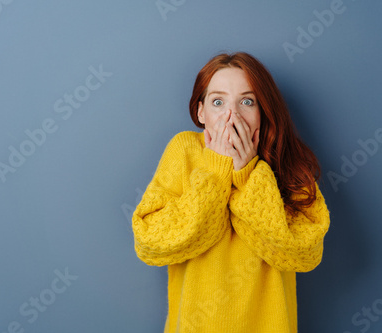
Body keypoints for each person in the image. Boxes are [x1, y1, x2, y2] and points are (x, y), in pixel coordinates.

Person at [132, 52, 330, 333]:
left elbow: (303, 253)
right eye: (218, 102)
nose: (231, 115)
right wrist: (215, 173)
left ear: (263, 110)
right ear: (201, 112)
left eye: (247, 102)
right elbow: (151, 241)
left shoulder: (284, 158)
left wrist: (248, 173)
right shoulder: (184, 150)